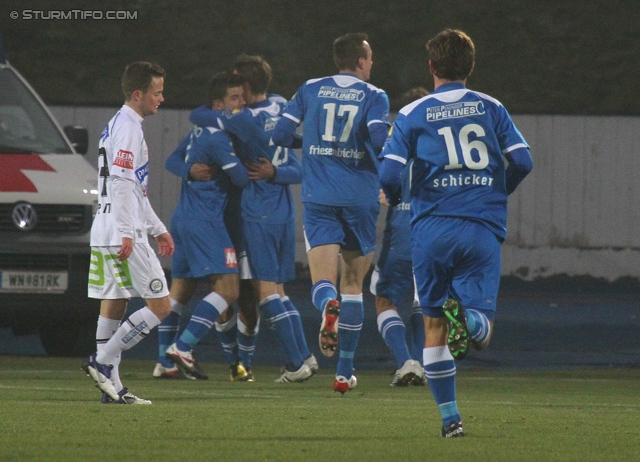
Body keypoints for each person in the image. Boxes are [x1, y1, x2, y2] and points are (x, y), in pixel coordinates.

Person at [379, 29, 533, 437]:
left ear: (431, 66)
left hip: (430, 229)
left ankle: (450, 419)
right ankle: (471, 320)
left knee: (433, 326)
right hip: (480, 226)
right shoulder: (490, 106)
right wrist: (496, 190)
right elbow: (523, 160)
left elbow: (390, 173)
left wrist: (394, 198)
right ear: (471, 65)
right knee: (480, 332)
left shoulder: (413, 113)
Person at [273, 33, 390, 394]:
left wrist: (310, 143)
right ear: (359, 61)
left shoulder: (310, 88)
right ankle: (344, 372)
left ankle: (328, 306)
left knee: (323, 281)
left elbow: (279, 134)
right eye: (369, 58)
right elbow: (377, 140)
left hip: (320, 197)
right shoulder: (374, 96)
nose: (371, 64)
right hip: (360, 198)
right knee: (354, 284)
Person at [189, 54, 316, 383]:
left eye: (235, 82)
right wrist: (277, 170)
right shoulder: (280, 105)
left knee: (265, 293)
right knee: (281, 290)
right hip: (283, 211)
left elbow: (200, 115)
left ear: (244, 86)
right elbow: (298, 168)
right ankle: (305, 356)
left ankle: (295, 364)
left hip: (253, 212)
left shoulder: (240, 119)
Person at [83, 61, 175, 404]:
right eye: (156, 92)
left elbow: (133, 188)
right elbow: (123, 182)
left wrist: (158, 228)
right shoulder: (129, 128)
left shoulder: (116, 125)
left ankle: (113, 389)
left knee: (115, 301)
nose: (161, 99)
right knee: (161, 305)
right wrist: (128, 231)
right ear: (138, 94)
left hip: (105, 226)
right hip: (123, 231)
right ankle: (102, 363)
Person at [154, 72, 250, 381]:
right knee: (229, 289)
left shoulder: (199, 131)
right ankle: (183, 348)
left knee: (179, 291)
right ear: (217, 104)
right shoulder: (219, 137)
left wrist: (188, 171)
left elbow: (171, 161)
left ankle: (163, 361)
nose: (241, 103)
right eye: (234, 99)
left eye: (242, 98)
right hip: (206, 222)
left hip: (182, 218)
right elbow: (241, 180)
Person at [371, 87, 429, 387]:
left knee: (385, 300)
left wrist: (389, 196)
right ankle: (420, 363)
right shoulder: (439, 142)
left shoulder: (395, 140)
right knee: (425, 301)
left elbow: (385, 179)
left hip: (401, 235)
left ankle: (405, 361)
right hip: (434, 234)